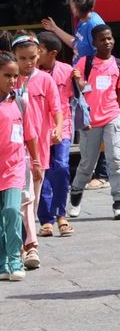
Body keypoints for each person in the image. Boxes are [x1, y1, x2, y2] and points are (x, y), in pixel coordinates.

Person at [42, 0, 110, 192]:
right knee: (87, 125)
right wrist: (54, 29)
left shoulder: (94, 24)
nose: (69, 6)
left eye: (71, 3)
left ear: (76, 5)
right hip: (81, 80)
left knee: (97, 123)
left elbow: (100, 54)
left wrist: (89, 81)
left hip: (89, 82)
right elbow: (76, 45)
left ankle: (103, 173)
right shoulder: (83, 22)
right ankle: (94, 171)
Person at [68, 23, 120, 221]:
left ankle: (119, 202)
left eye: (110, 38)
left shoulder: (119, 65)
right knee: (88, 163)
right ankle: (76, 195)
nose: (107, 42)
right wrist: (79, 81)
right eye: (102, 39)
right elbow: (75, 88)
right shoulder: (85, 63)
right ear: (94, 43)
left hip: (112, 117)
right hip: (90, 121)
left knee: (115, 160)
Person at [12, 35, 56, 268]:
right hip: (9, 154)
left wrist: (58, 130)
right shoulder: (10, 84)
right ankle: (24, 245)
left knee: (30, 199)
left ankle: (28, 244)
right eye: (22, 59)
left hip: (33, 149)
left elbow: (55, 108)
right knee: (19, 201)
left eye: (31, 57)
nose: (27, 63)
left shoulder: (45, 80)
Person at [34, 31, 74, 238]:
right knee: (41, 172)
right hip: (40, 129)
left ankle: (61, 214)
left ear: (52, 53)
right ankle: (46, 220)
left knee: (61, 166)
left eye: (39, 51)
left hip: (63, 126)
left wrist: (80, 80)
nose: (35, 55)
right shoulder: (32, 74)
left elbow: (80, 93)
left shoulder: (67, 71)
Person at [0, 49, 33, 281]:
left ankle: (14, 258)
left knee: (12, 210)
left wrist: (37, 160)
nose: (12, 80)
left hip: (14, 167)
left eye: (15, 76)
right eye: (7, 76)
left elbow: (28, 134)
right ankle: (2, 263)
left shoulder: (19, 101)